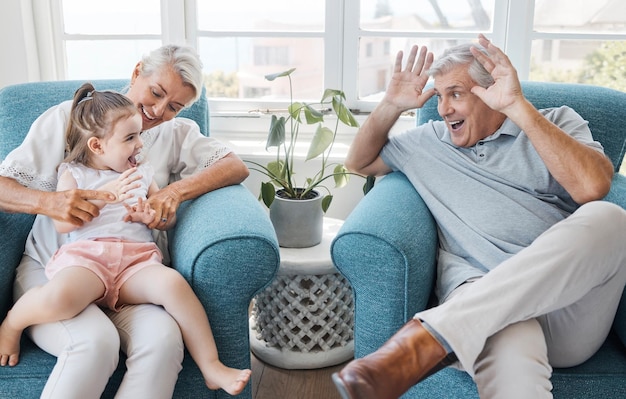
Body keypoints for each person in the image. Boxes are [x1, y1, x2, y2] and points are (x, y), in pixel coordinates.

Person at [332, 34, 626, 399]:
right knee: (508, 356)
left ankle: (431, 337)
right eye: (439, 97)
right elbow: (358, 162)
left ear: (491, 92)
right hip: (486, 310)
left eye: (455, 94)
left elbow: (591, 187)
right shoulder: (429, 141)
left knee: (611, 218)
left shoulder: (557, 122)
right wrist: (391, 105)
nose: (443, 109)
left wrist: (519, 109)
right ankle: (441, 334)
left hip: (568, 310)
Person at [0, 45, 249, 399]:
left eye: (174, 106)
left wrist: (170, 196)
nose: (159, 111)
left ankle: (212, 368)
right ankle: (15, 319)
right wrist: (51, 202)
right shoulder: (69, 119)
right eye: (156, 92)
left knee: (163, 341)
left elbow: (234, 166)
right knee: (95, 344)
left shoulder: (174, 134)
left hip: (131, 268)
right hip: (60, 268)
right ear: (136, 73)